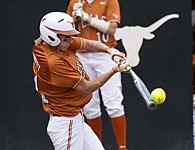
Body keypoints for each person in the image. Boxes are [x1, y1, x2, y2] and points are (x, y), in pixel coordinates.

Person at [32, 11, 131, 150]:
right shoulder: (53, 62)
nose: (70, 41)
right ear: (51, 37)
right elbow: (88, 87)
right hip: (66, 124)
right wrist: (115, 69)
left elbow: (86, 43)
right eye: (66, 38)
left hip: (75, 118)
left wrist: (110, 51)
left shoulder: (54, 45)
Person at [66, 0, 127, 149]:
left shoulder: (111, 1)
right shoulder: (75, 2)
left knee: (114, 104)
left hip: (105, 54)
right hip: (82, 55)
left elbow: (112, 29)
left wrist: (87, 18)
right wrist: (74, 18)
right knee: (90, 106)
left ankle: (122, 147)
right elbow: (65, 31)